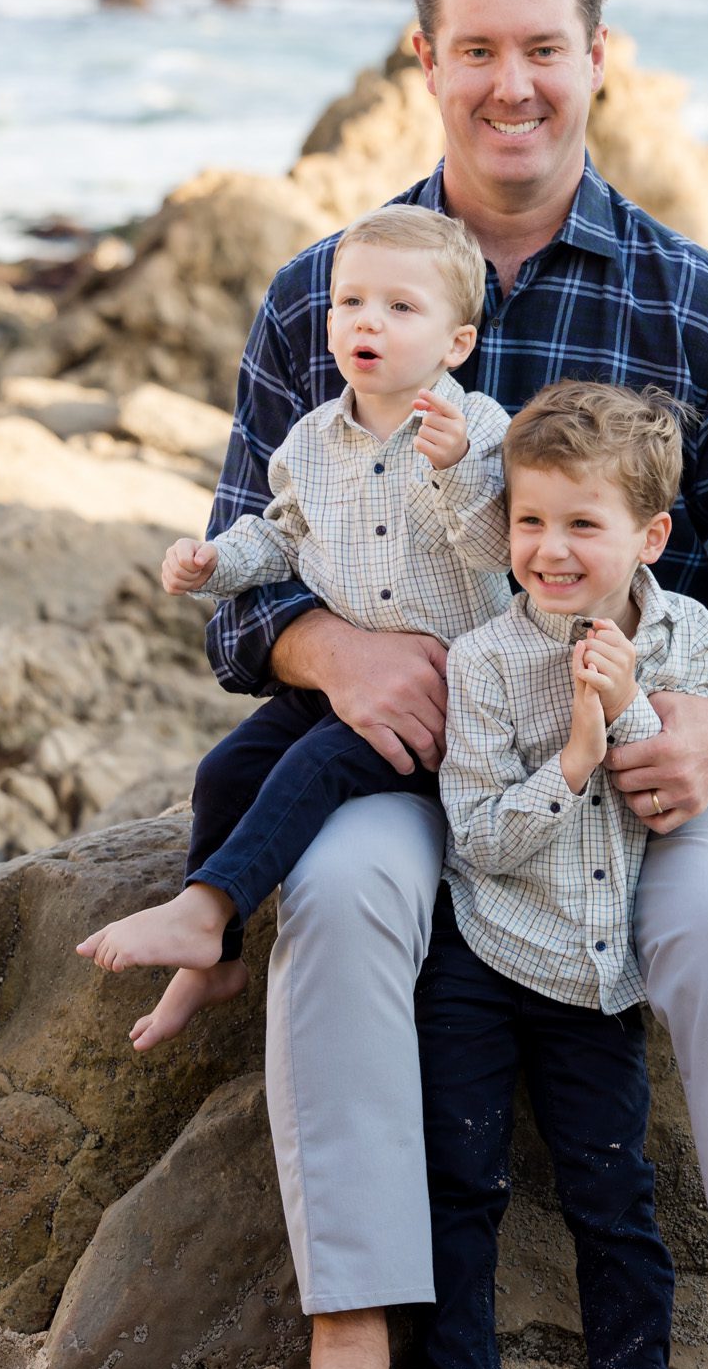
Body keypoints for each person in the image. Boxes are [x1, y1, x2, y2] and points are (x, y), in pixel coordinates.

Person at [211, 0, 708, 1369]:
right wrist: (327, 651)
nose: (509, 83)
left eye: (541, 48)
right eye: (477, 50)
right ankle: (350, 1351)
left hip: (653, 744)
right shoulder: (330, 291)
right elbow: (247, 550)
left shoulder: (693, 303)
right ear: (424, 61)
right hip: (414, 759)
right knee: (338, 898)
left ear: (599, 58)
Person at [76, 206, 512, 1049]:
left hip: (452, 701)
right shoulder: (312, 439)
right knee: (226, 769)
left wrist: (458, 470)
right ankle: (216, 961)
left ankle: (205, 910)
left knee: (314, 767)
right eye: (350, 303)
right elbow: (280, 536)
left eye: (399, 307)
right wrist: (215, 562)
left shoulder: (478, 430)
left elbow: (498, 550)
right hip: (346, 681)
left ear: (455, 343)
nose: (367, 323)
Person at [420, 381, 708, 1369]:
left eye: (582, 524)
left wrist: (628, 701)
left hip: (598, 975)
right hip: (487, 945)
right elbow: (478, 837)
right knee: (460, 1174)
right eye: (529, 520)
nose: (549, 549)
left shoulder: (689, 636)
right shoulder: (484, 659)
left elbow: (668, 794)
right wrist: (569, 762)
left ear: (649, 536)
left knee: (612, 1189)